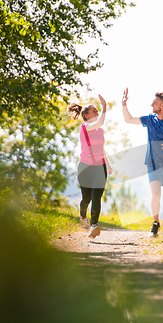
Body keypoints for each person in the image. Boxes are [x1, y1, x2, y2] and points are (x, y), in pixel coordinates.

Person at [121, 88, 163, 244]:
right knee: (156, 195)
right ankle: (156, 223)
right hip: (152, 163)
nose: (152, 104)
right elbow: (128, 119)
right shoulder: (150, 119)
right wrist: (124, 104)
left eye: (155, 102)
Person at [67, 96, 113, 238]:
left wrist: (108, 165)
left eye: (98, 110)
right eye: (95, 111)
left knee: (96, 197)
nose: (98, 113)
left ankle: (94, 225)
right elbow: (101, 121)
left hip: (100, 167)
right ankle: (82, 216)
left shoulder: (99, 131)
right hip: (85, 168)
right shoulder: (85, 127)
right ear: (87, 116)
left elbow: (101, 148)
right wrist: (104, 106)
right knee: (86, 199)